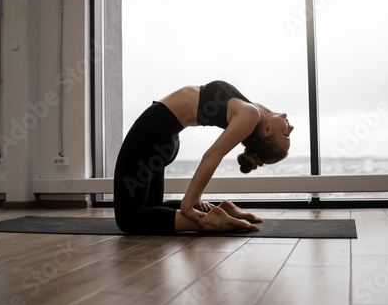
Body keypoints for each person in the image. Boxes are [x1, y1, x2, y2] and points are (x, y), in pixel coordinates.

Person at [113, 80, 294, 234]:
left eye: (286, 135)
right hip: (160, 137)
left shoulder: (251, 114)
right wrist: (194, 201)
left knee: (128, 220)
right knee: (151, 209)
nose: (290, 128)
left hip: (151, 135)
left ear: (267, 130)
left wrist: (189, 203)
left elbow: (212, 155)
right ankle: (219, 211)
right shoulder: (255, 111)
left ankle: (210, 222)